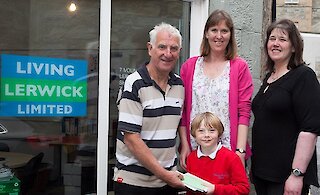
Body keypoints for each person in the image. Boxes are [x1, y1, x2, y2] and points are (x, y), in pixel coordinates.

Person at [113, 22, 185, 195]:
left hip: (167, 182)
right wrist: (166, 176)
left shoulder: (179, 85)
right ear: (150, 48)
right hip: (134, 183)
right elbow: (131, 139)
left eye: (173, 48)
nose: (168, 54)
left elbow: (176, 124)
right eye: (162, 47)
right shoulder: (134, 83)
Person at [251, 19, 320, 195]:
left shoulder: (303, 76)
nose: (275, 43)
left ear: (294, 47)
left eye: (282, 39)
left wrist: (297, 174)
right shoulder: (269, 77)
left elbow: (309, 130)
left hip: (286, 176)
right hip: (262, 173)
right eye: (272, 38)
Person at [179, 9, 253, 170]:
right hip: (196, 151)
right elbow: (183, 113)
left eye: (224, 31)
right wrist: (184, 146)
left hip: (229, 151)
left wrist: (239, 151)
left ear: (230, 35)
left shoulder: (239, 67)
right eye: (214, 30)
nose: (219, 36)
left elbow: (244, 112)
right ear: (206, 33)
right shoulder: (190, 67)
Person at [186, 112, 250, 195]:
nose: (206, 135)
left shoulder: (231, 158)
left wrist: (215, 189)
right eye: (201, 131)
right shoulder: (191, 158)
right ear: (194, 134)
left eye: (212, 131)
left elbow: (243, 189)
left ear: (219, 133)